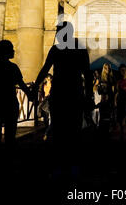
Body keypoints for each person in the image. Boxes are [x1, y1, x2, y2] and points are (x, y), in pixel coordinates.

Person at [32, 21, 93, 171]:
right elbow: (88, 74)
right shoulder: (80, 49)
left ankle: (60, 163)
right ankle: (72, 163)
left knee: (59, 129)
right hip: (75, 93)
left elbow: (45, 69)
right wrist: (89, 95)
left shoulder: (56, 49)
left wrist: (35, 85)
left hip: (59, 93)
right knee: (74, 128)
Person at [0, 40, 33, 148]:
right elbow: (22, 84)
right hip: (10, 103)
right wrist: (30, 95)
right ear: (6, 51)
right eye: (11, 48)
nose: (14, 51)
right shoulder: (13, 67)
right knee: (10, 135)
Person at [115, 64, 126, 140]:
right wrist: (115, 101)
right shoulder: (118, 81)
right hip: (121, 101)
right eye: (122, 70)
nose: (123, 72)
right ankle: (122, 134)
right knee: (121, 118)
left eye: (124, 70)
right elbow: (117, 92)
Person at [38, 74, 53, 141]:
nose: (49, 80)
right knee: (46, 119)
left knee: (51, 120)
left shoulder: (52, 85)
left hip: (50, 101)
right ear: (46, 79)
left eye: (50, 78)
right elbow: (42, 94)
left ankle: (46, 133)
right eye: (48, 78)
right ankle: (47, 132)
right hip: (45, 102)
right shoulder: (43, 85)